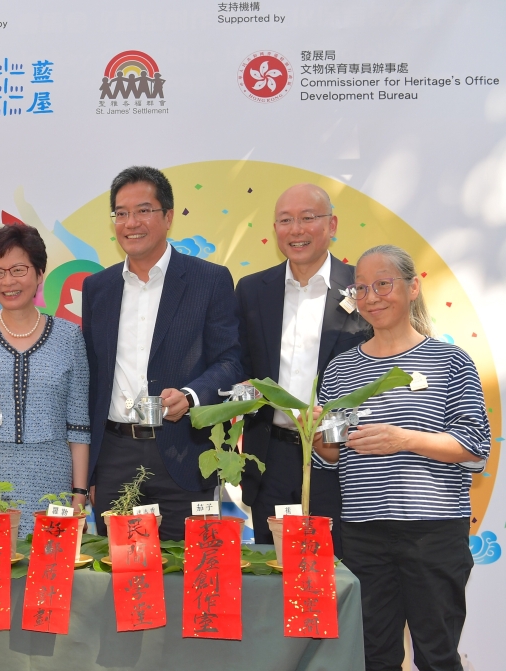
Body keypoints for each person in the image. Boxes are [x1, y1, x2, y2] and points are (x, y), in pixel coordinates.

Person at [313, 245, 489, 671]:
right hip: (363, 534)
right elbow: (328, 460)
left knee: (437, 655)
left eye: (383, 284)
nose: (372, 296)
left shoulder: (450, 361)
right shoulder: (340, 369)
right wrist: (317, 436)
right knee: (373, 655)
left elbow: (474, 448)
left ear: (412, 288)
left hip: (432, 533)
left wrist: (404, 439)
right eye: (361, 289)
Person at [83, 166, 243, 541]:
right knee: (118, 579)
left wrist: (190, 396)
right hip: (115, 456)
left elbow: (231, 361)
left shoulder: (210, 280)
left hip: (185, 455)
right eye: (120, 213)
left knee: (189, 576)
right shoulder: (98, 288)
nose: (130, 223)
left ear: (168, 217)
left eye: (143, 210)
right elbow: (93, 373)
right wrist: (89, 471)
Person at [235, 184, 365, 558]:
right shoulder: (252, 290)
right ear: (274, 229)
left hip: (339, 459)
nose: (296, 230)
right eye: (285, 220)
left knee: (338, 578)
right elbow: (240, 365)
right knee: (274, 576)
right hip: (270, 459)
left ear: (332, 224)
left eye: (308, 218)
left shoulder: (362, 287)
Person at [0, 225, 91, 536]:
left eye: (19, 270)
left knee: (48, 575)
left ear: (39, 273)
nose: (9, 281)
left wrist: (79, 492)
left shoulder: (69, 336)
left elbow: (78, 425)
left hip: (49, 474)